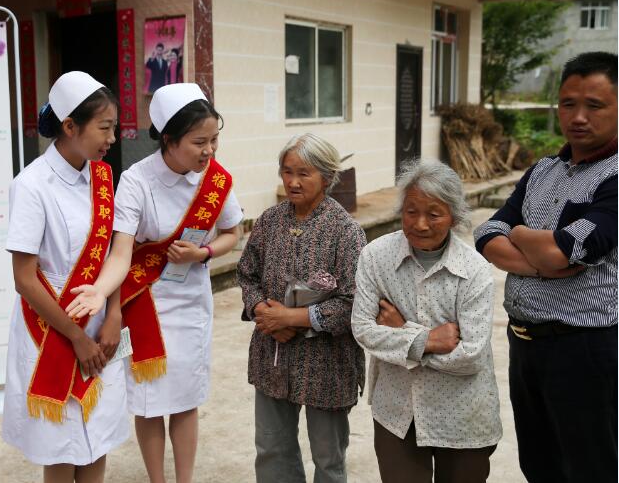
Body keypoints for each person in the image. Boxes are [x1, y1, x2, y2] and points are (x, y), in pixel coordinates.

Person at [66, 83, 243, 483]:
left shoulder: (214, 181)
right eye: (199, 142)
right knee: (149, 402)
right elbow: (120, 254)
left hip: (192, 303)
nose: (209, 151)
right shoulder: (137, 181)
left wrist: (204, 253)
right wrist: (112, 310)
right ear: (169, 139)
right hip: (145, 301)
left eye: (214, 140)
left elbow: (233, 233)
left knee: (185, 399)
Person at [474, 51, 617, 483]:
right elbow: (486, 233)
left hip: (584, 350)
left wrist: (520, 233)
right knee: (539, 465)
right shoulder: (543, 171)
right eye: (568, 103)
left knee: (588, 468)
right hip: (526, 345)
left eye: (594, 105)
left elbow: (568, 250)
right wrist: (538, 260)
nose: (578, 117)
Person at [1, 71, 129, 483]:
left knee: (97, 436)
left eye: (114, 127)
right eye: (104, 128)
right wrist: (75, 337)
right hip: (51, 327)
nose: (112, 138)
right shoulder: (31, 185)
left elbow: (110, 253)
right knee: (60, 444)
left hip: (99, 325)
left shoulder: (102, 178)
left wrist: (114, 315)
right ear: (70, 127)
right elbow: (24, 278)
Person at [352, 161, 502, 483]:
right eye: (411, 212)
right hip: (398, 412)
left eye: (434, 214)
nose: (420, 224)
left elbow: (471, 356)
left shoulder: (474, 270)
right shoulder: (375, 256)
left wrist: (403, 332)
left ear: (454, 216)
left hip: (463, 414)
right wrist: (428, 340)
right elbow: (363, 329)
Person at [236, 133, 366, 483]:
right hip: (272, 355)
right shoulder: (269, 221)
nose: (292, 181)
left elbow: (354, 301)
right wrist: (263, 312)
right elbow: (247, 274)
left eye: (303, 173)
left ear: (327, 177)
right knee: (271, 449)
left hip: (326, 363)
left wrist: (293, 318)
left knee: (328, 458)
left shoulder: (345, 231)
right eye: (287, 171)